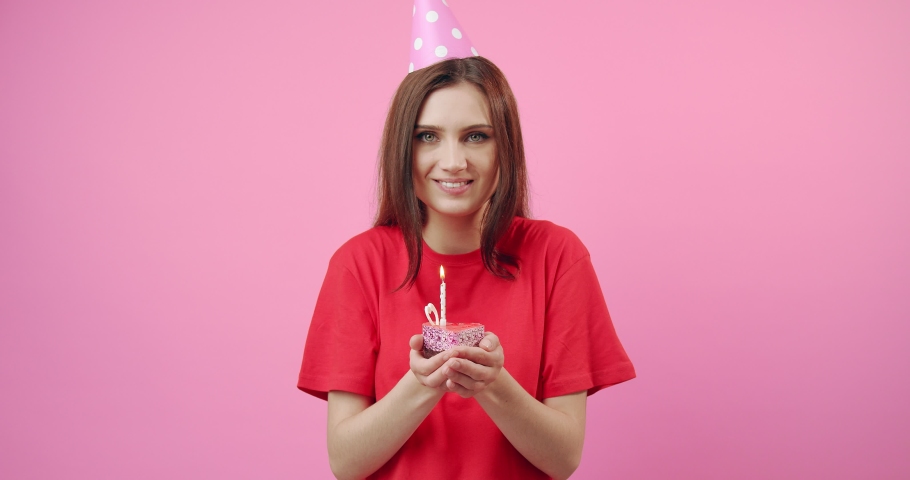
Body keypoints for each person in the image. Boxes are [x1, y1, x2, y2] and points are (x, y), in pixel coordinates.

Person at [297, 56, 636, 480]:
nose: (453, 161)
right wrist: (423, 383)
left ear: (505, 147)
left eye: (476, 136)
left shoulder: (557, 257)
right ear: (403, 147)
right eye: (428, 136)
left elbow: (563, 457)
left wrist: (493, 384)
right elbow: (346, 463)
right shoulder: (358, 265)